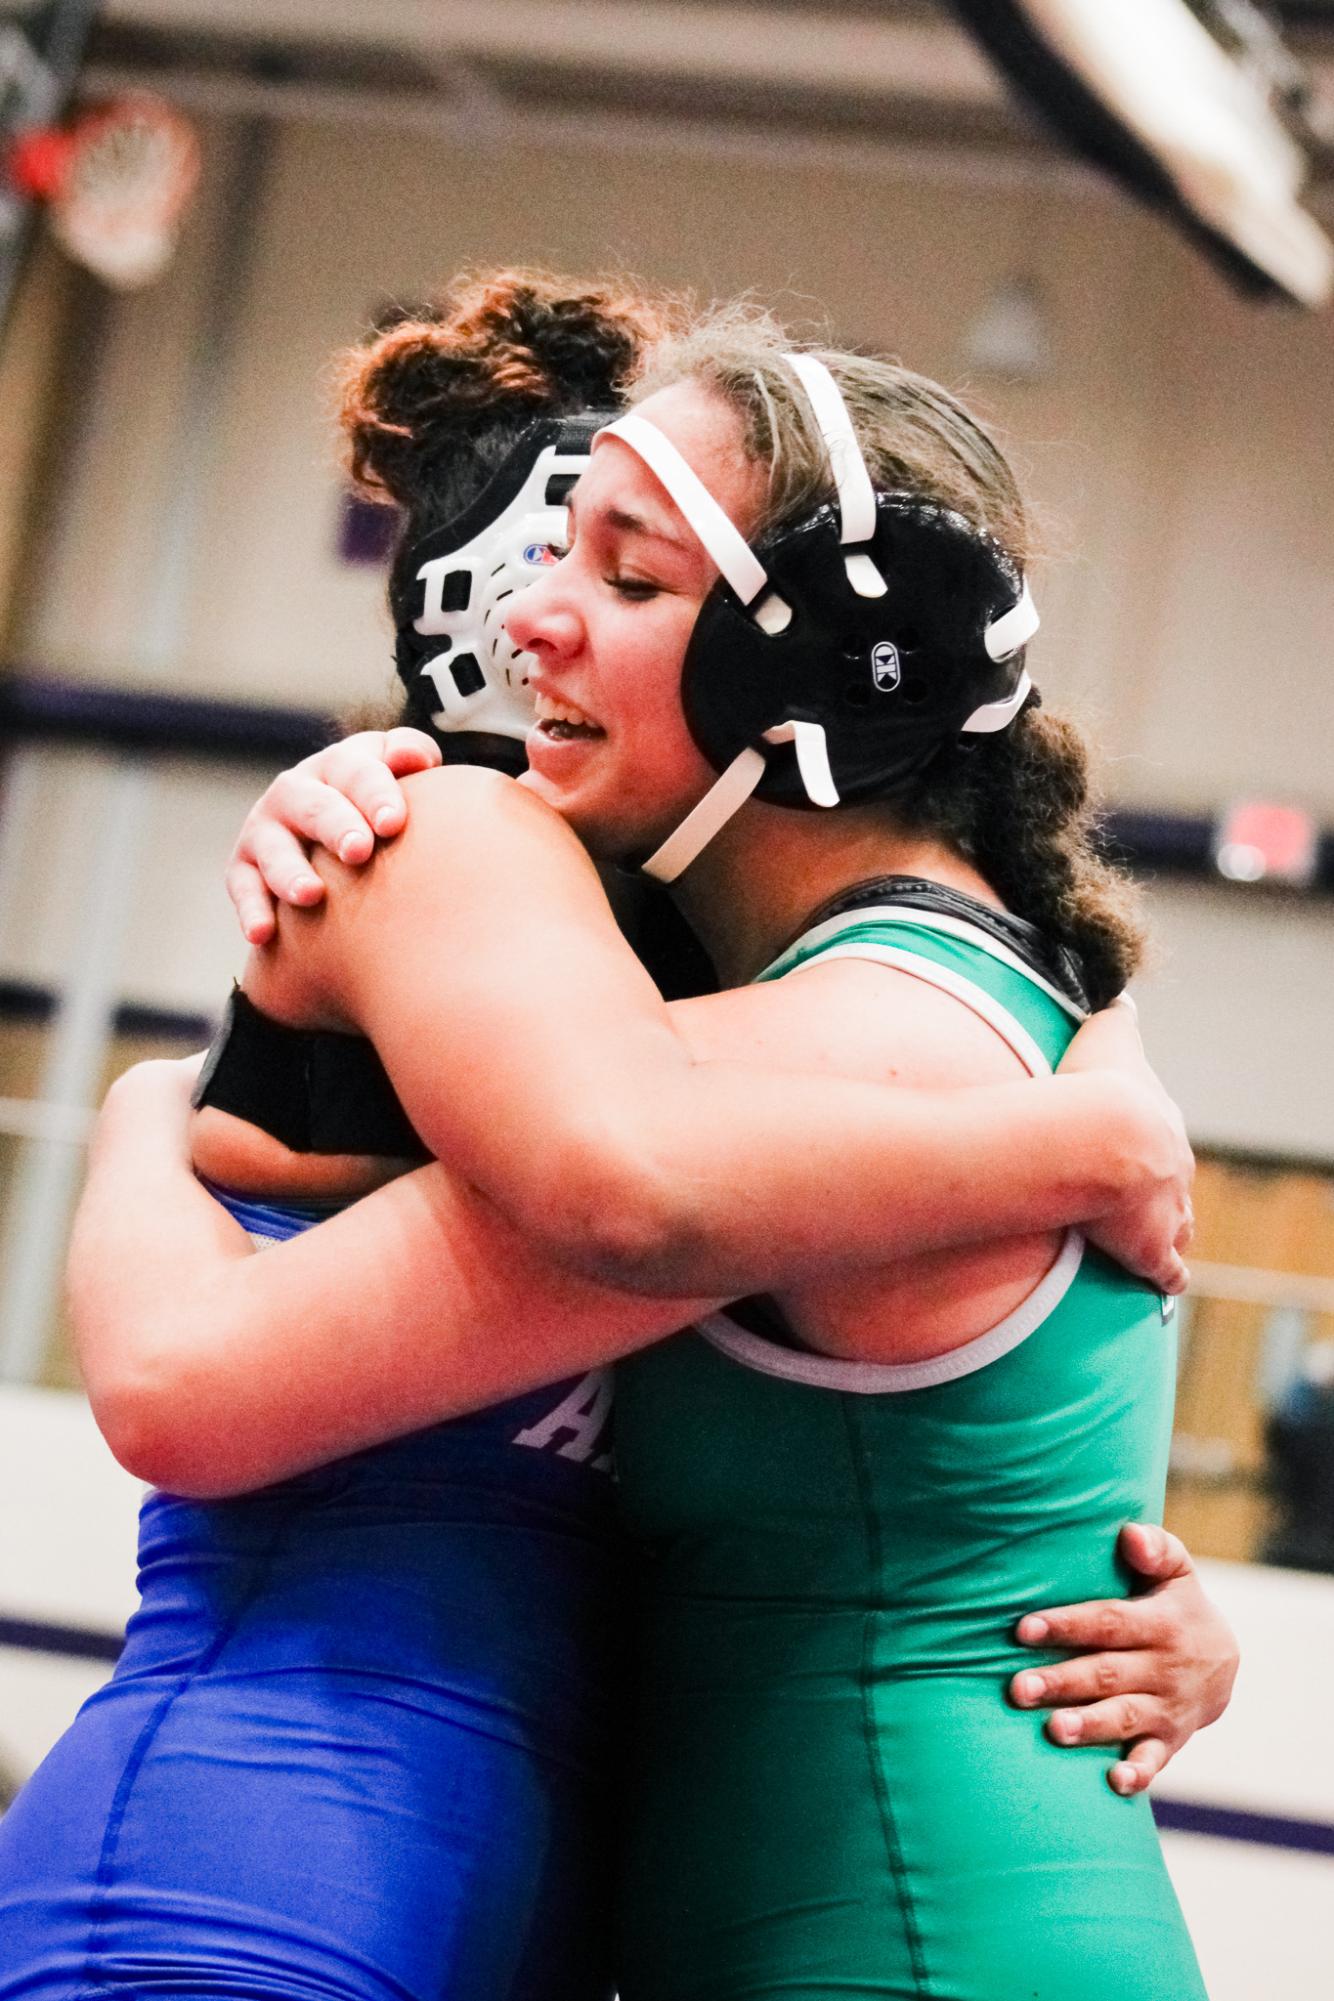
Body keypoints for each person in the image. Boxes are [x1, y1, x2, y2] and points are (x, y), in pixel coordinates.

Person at [1, 278, 1230, 2001]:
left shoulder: (833, 1033)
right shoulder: (612, 961)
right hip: (350, 1860)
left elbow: (609, 1194)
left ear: (809, 662)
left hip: (861, 1915)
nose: (533, 629)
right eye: (546, 561)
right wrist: (159, 1094)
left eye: (626, 578)